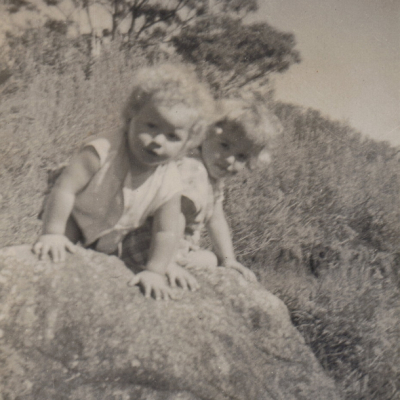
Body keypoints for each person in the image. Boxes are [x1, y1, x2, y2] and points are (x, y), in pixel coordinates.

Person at [33, 63, 215, 300]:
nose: (158, 141)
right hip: (76, 216)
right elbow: (65, 189)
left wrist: (156, 271)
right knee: (55, 257)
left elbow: (166, 230)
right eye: (151, 126)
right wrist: (52, 233)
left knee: (138, 257)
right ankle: (55, 250)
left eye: (173, 136)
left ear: (186, 145)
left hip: (121, 232)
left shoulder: (170, 181)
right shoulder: (102, 151)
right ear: (130, 118)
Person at [123, 95, 282, 287]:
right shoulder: (193, 170)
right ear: (206, 134)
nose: (229, 160)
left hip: (174, 243)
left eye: (241, 156)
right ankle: (168, 263)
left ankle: (184, 260)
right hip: (151, 241)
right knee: (207, 261)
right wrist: (167, 262)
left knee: (212, 259)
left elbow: (216, 219)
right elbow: (175, 214)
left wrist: (228, 259)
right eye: (224, 146)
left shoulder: (212, 180)